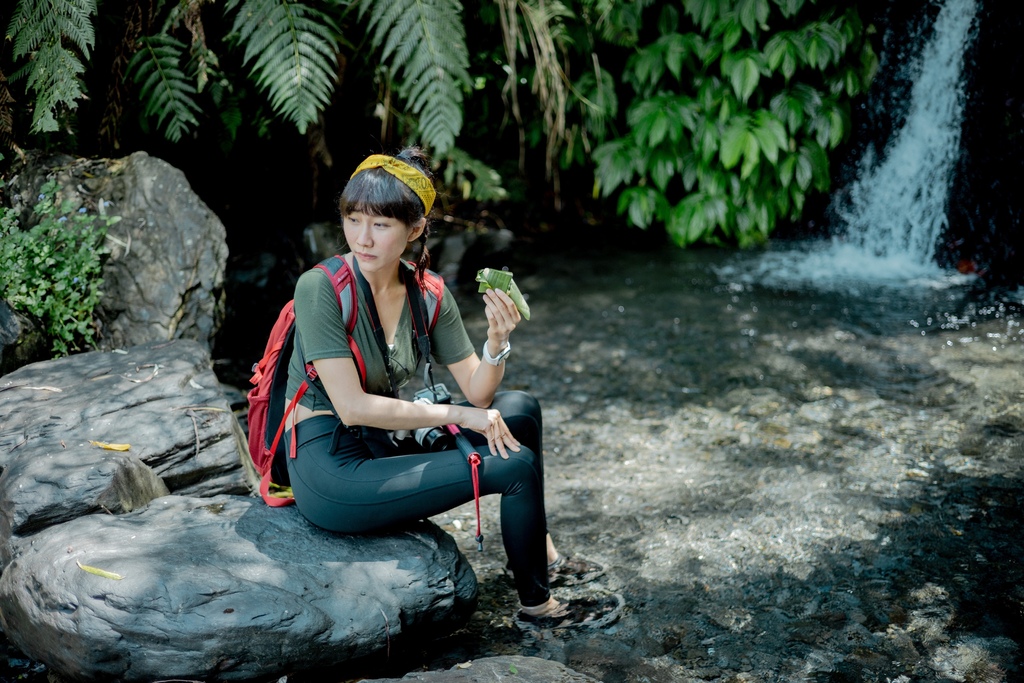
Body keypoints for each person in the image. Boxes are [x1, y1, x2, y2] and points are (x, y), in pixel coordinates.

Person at [279, 147, 622, 630]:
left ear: (414, 229)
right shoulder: (321, 289)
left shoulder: (428, 293)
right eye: (353, 219)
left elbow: (481, 393)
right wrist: (457, 417)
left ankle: (536, 553)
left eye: (380, 224)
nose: (362, 237)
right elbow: (353, 408)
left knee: (520, 408)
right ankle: (539, 610)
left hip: (381, 446)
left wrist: (496, 342)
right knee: (515, 465)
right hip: (330, 470)